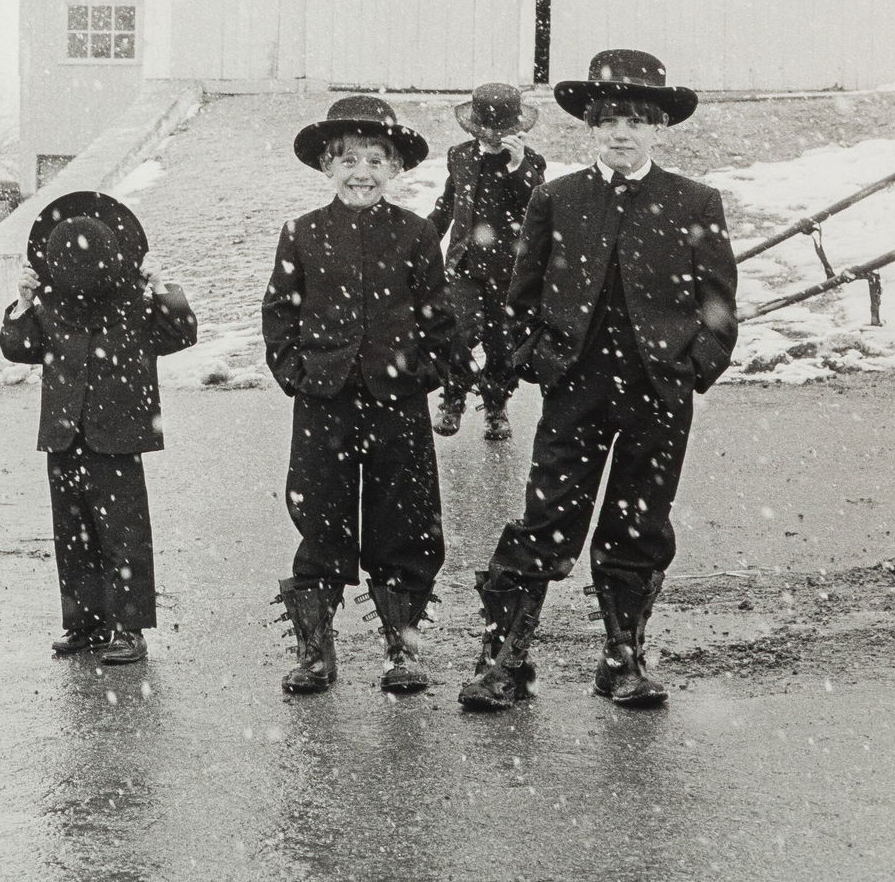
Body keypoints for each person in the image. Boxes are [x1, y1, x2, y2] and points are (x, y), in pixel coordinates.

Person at [459, 50, 738, 712]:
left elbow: (718, 304)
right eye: (609, 120)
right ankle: (505, 657)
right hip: (575, 387)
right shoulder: (557, 198)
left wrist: (692, 366)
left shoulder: (694, 201)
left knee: (639, 523)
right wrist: (538, 360)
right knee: (547, 517)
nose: (621, 133)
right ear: (590, 126)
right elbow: (522, 295)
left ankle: (622, 658)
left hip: (658, 390)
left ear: (657, 128)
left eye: (636, 121)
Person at [262, 97, 453, 695]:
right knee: (320, 516)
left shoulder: (417, 233)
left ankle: (403, 646)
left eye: (375, 160)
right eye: (347, 160)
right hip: (324, 399)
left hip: (398, 400)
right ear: (327, 166)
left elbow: (439, 317)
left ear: (394, 168)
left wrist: (423, 373)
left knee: (405, 519)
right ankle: (315, 649)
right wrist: (296, 373)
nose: (361, 173)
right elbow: (278, 314)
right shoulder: (302, 233)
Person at [0, 191, 198, 666]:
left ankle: (129, 629)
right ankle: (85, 624)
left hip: (119, 436)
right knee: (73, 534)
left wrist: (161, 286)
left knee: (124, 535)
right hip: (63, 436)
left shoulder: (137, 304)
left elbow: (183, 332)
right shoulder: (49, 306)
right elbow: (17, 348)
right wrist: (23, 302)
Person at [427, 83, 547, 441]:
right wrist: (423, 238)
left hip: (509, 270)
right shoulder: (460, 156)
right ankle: (454, 395)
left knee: (502, 342)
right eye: (488, 132)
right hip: (465, 264)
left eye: (504, 132)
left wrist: (518, 167)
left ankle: (496, 404)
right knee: (458, 330)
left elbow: (537, 210)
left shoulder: (531, 162)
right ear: (474, 129)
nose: (495, 139)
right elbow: (447, 205)